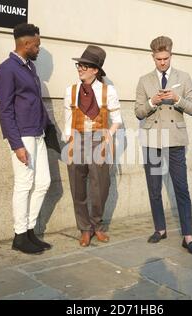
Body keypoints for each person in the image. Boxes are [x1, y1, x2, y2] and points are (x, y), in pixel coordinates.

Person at [134, 36, 192, 256]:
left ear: (171, 55)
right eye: (158, 59)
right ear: (152, 57)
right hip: (153, 140)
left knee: (181, 188)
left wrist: (177, 99)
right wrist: (152, 102)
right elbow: (138, 112)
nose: (162, 62)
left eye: (166, 58)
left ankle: (188, 236)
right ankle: (160, 229)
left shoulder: (184, 77)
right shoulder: (144, 80)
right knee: (154, 188)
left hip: (175, 140)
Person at [0, 23, 52, 254]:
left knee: (43, 183)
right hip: (23, 137)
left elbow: (35, 101)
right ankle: (19, 235)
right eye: (37, 45)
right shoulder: (7, 69)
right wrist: (16, 144)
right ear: (26, 44)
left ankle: (29, 230)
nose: (39, 49)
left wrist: (49, 129)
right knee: (24, 185)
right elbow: (5, 110)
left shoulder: (29, 68)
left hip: (37, 134)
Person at [63, 45, 123, 247]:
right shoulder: (71, 91)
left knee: (100, 188)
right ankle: (84, 229)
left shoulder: (108, 91)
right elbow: (67, 119)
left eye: (85, 66)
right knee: (77, 188)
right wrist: (69, 141)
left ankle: (97, 225)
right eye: (79, 65)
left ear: (95, 70)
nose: (80, 68)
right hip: (76, 141)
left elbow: (117, 120)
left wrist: (108, 137)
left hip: (100, 141)